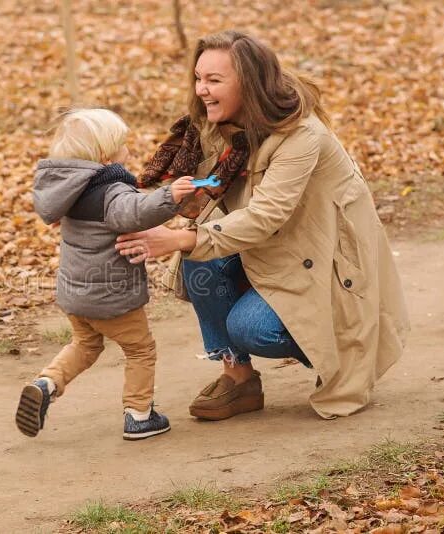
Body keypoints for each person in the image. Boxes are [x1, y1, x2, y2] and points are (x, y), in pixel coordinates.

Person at [115, 31, 410, 420]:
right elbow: (175, 185)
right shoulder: (217, 127)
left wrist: (178, 238)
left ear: (250, 84)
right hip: (274, 250)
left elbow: (265, 216)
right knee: (197, 261)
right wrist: (108, 203)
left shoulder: (301, 135)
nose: (202, 90)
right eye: (199, 79)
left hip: (325, 265)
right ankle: (239, 381)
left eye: (214, 80)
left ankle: (335, 349)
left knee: (250, 327)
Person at [16, 108, 196, 440]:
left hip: (76, 296)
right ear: (104, 156)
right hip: (111, 296)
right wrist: (170, 197)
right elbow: (134, 213)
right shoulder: (110, 190)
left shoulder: (68, 191)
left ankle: (47, 382)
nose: (128, 152)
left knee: (85, 344)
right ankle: (139, 415)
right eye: (123, 146)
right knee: (140, 349)